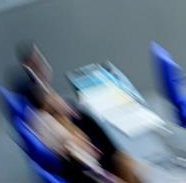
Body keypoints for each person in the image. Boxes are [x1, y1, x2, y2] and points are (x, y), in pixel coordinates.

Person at [11, 43, 142, 183]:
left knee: (126, 162)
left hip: (103, 159)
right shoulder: (63, 134)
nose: (42, 66)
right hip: (96, 169)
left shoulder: (59, 115)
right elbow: (92, 171)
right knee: (128, 164)